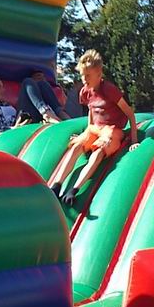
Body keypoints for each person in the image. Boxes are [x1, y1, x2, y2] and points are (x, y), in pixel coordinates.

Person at [47, 50, 138, 204]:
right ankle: (57, 185)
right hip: (96, 128)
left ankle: (74, 189)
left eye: (88, 75)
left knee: (98, 153)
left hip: (111, 130)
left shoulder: (109, 90)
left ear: (99, 74)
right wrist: (87, 132)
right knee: (75, 147)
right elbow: (91, 109)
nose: (84, 79)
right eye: (82, 75)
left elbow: (130, 113)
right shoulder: (85, 92)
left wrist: (134, 140)